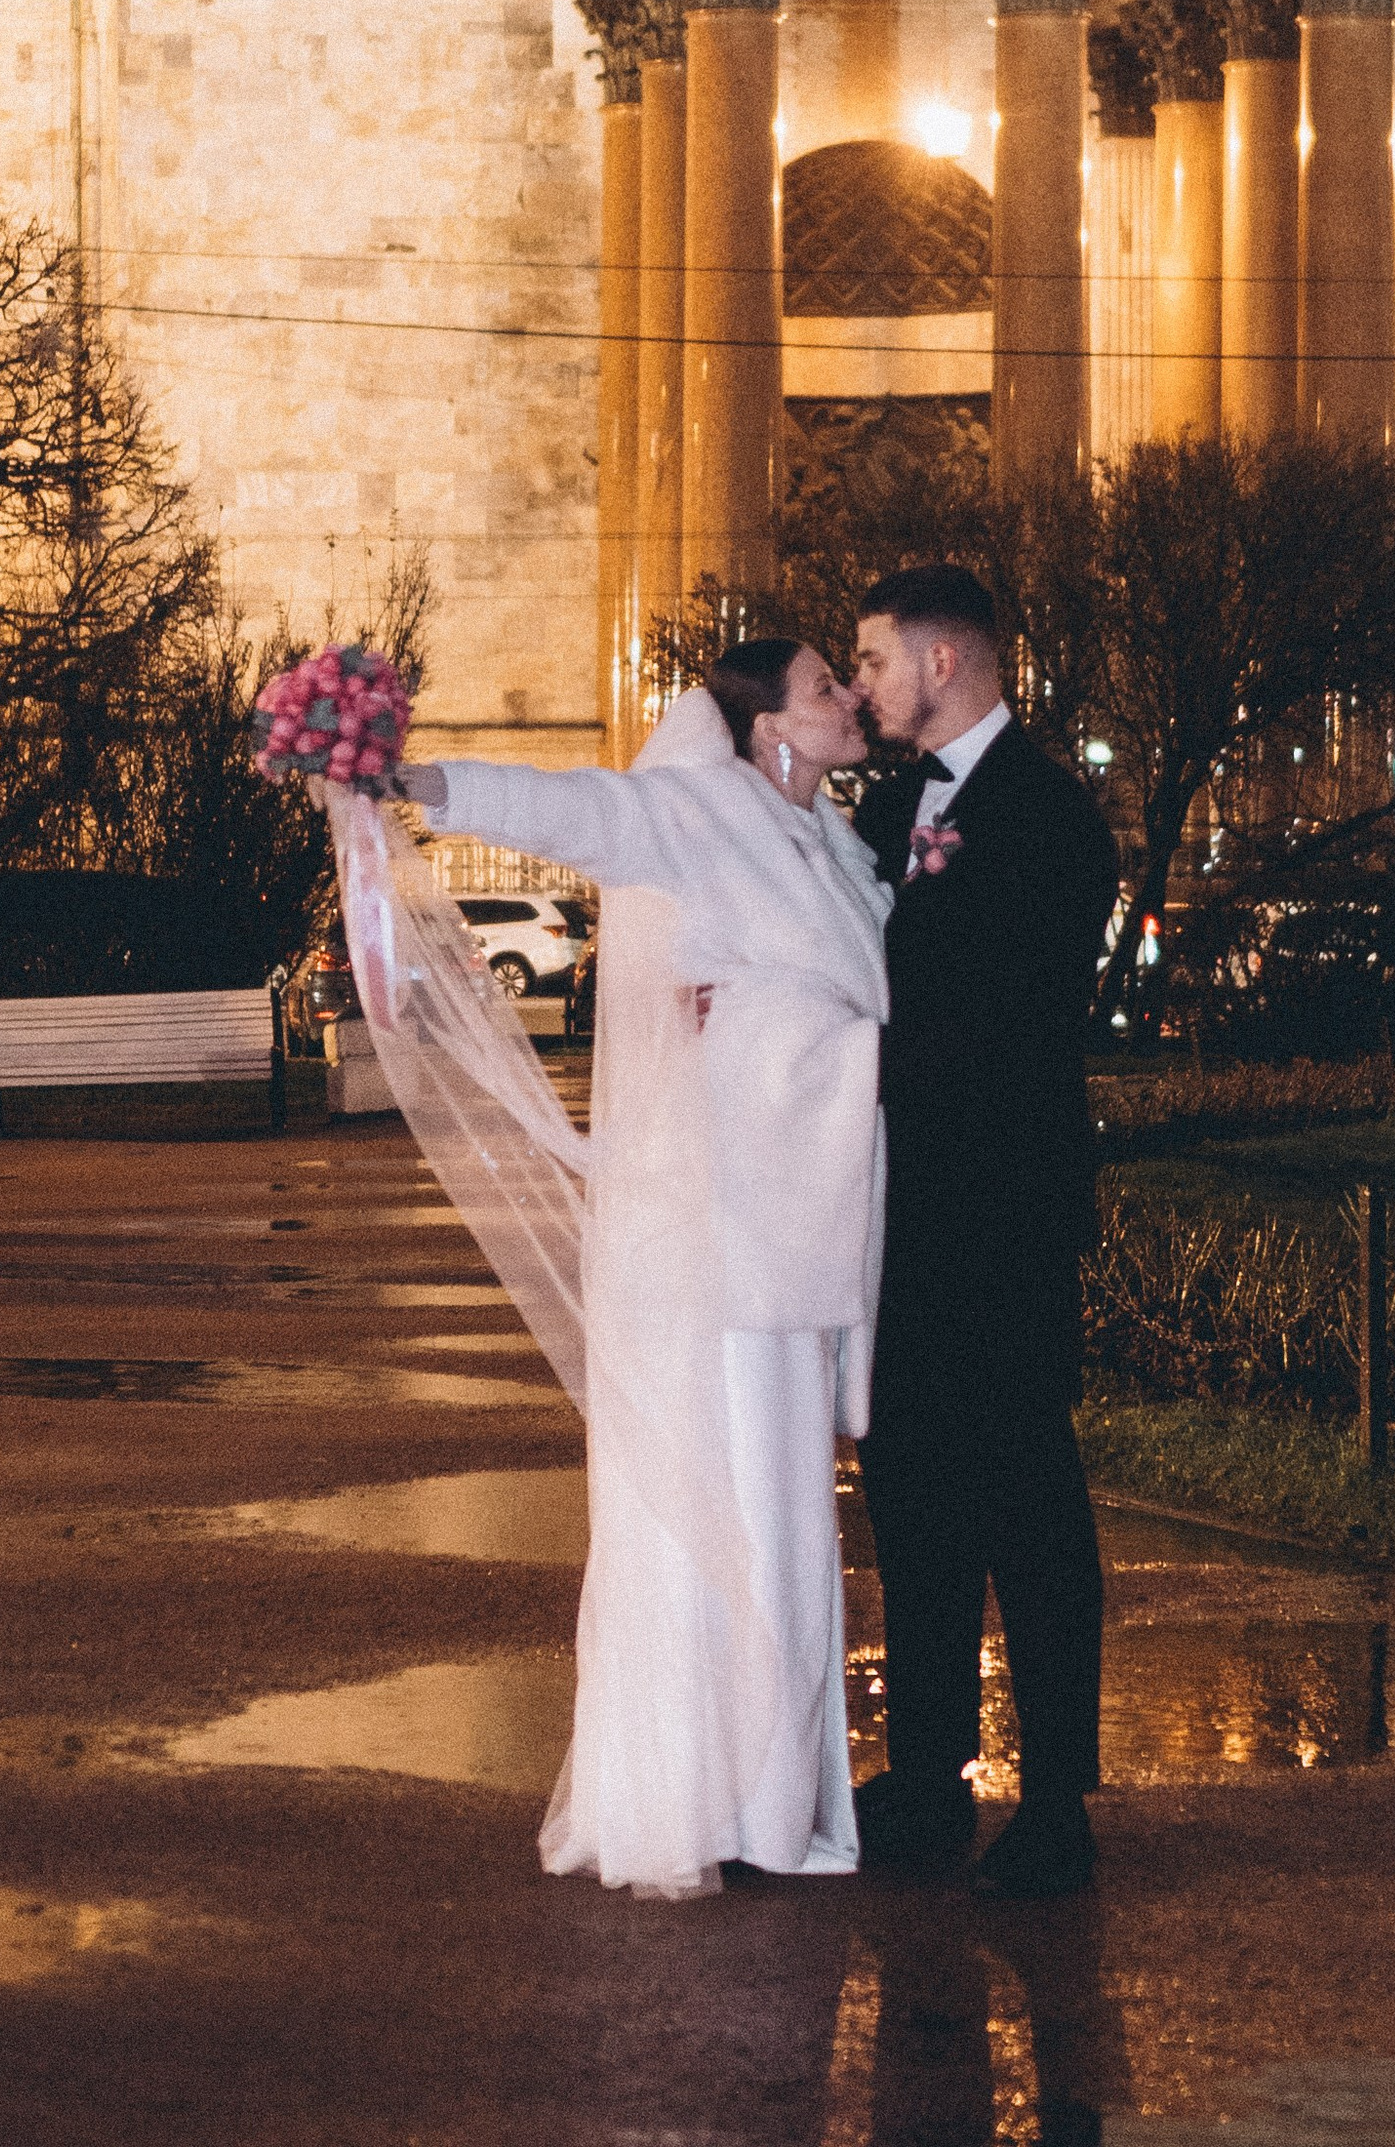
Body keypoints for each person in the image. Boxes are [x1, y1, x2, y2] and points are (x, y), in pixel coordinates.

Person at [367, 638, 889, 1894]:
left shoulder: (845, 845)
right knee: (732, 1507)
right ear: (765, 726)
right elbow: (576, 811)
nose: (850, 701)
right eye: (824, 688)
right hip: (720, 1244)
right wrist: (416, 777)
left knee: (786, 1519)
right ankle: (711, 1797)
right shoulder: (698, 812)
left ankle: (775, 1799)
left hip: (799, 1224)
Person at [846, 561, 1119, 1899]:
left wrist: (858, 1040)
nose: (863, 687)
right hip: (893, 1221)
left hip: (1001, 1217)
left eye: (877, 662)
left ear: (943, 662)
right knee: (912, 1500)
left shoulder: (1055, 821)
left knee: (1029, 1506)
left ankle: (1059, 1796)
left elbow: (1001, 1017)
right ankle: (928, 1773)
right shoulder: (888, 805)